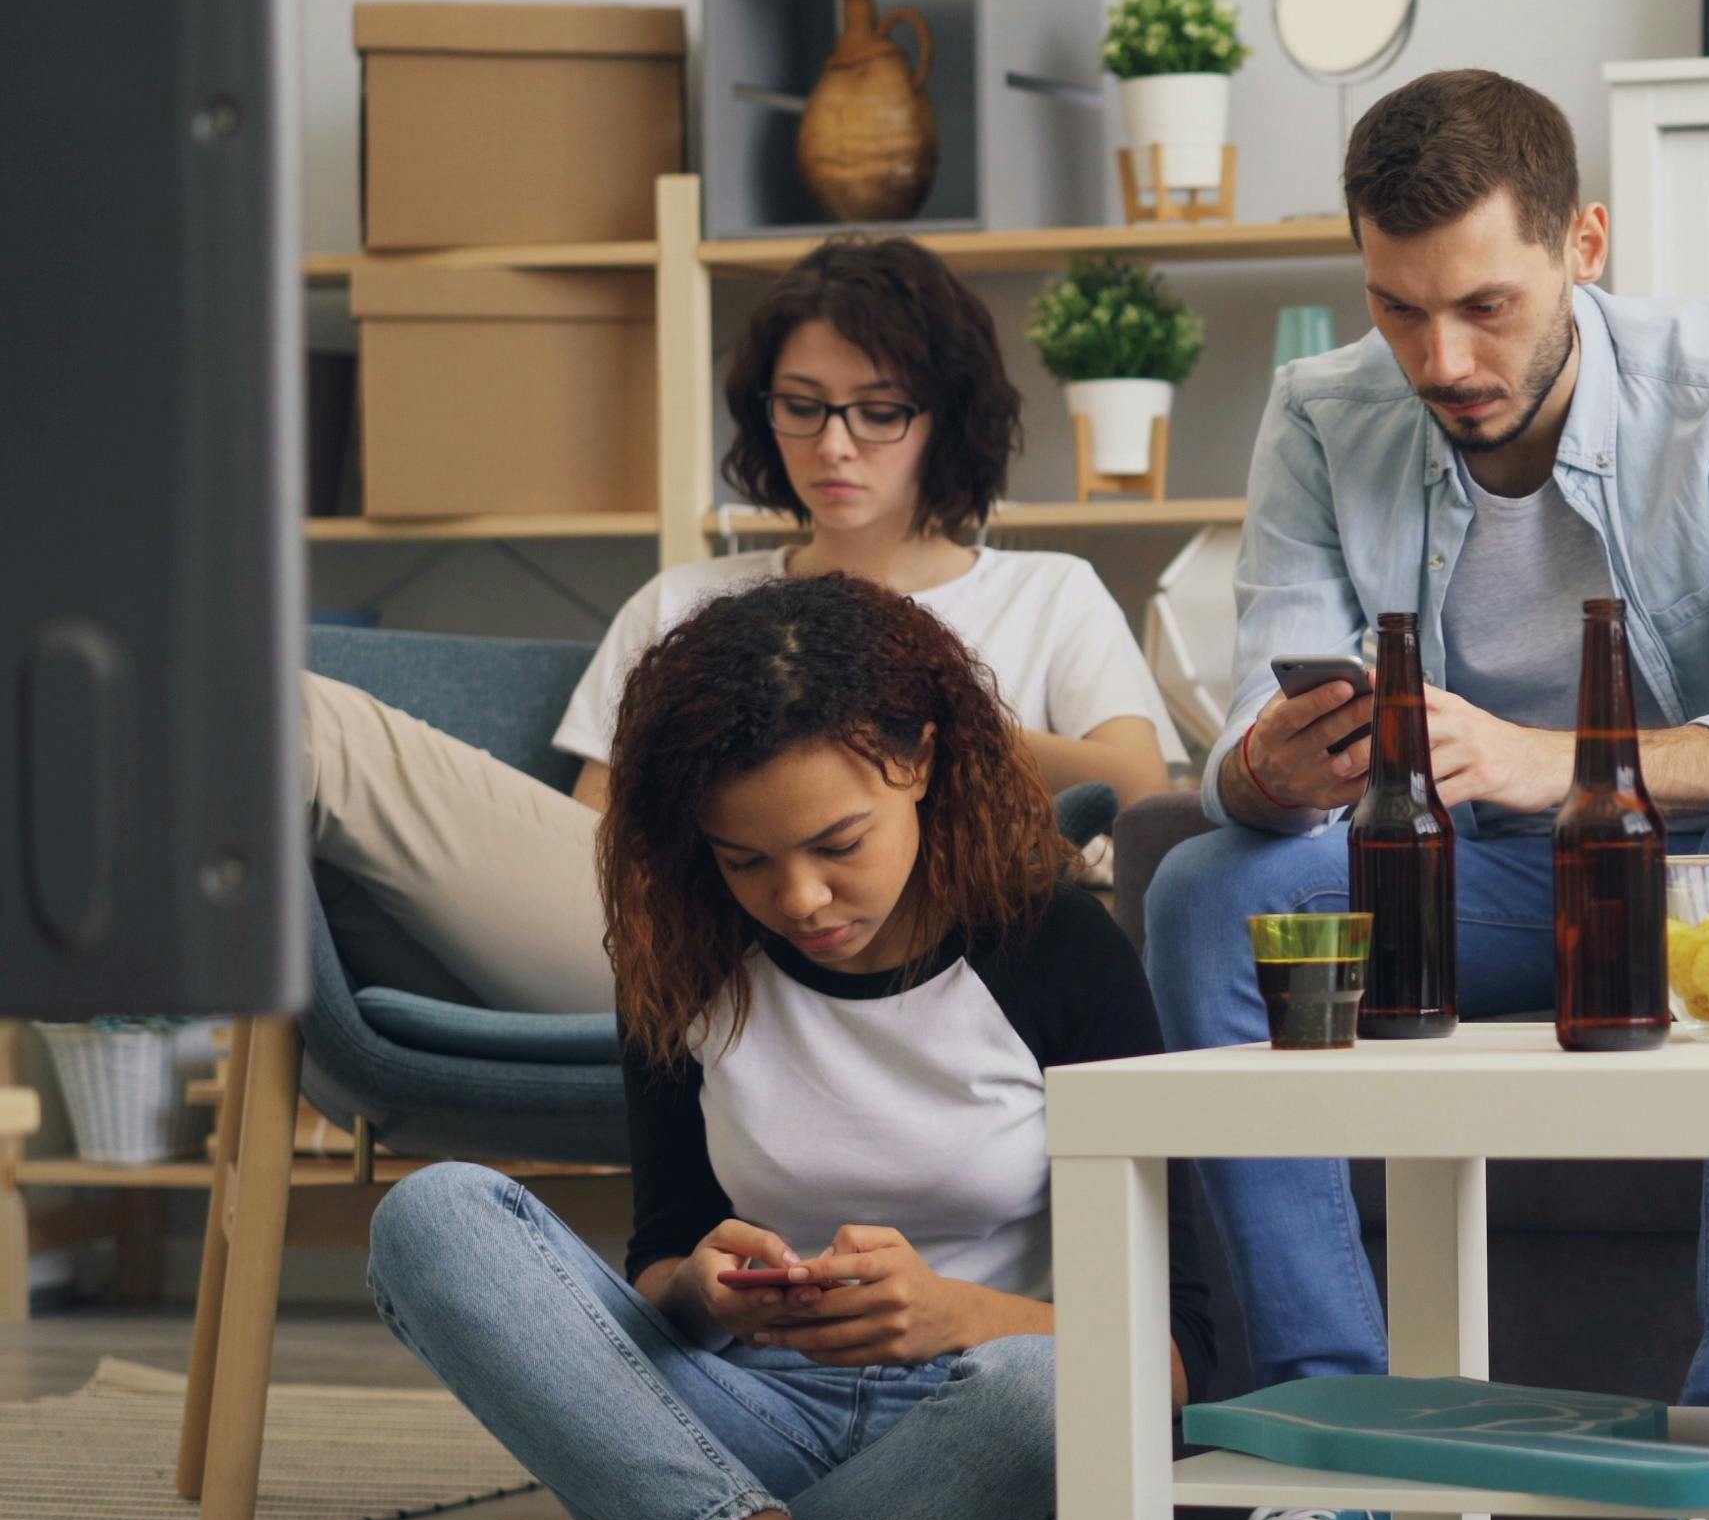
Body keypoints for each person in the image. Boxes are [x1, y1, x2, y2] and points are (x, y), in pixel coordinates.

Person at [1143, 68, 1709, 1520]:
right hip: (1446, 888)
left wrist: (1569, 768)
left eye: (1485, 306)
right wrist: (1257, 770)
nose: (1443, 361)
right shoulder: (1323, 412)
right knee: (1212, 886)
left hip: (1681, 891)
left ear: (1586, 245)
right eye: (1399, 311)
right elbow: (1275, 698)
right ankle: (1327, 1445)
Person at [361, 574, 1237, 1520]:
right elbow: (664, 1255)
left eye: (839, 842)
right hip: (741, 1422)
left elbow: (1190, 1353)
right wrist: (700, 1294)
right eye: (745, 861)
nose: (803, 897)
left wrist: (964, 1316)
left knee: (1048, 1397)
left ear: (917, 761)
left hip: (978, 1442)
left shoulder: (1050, 943)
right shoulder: (684, 958)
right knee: (432, 1216)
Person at [302, 235, 1180, 1016]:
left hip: (907, 961)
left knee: (306, 722)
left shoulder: (1048, 592)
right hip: (676, 938)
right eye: (802, 406)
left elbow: (1138, 796)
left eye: (879, 412)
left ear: (946, 421)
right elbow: (604, 841)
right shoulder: (682, 599)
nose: (835, 445)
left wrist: (913, 710)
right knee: (304, 731)